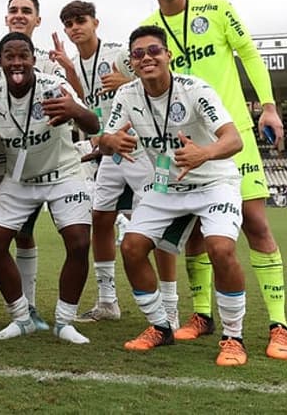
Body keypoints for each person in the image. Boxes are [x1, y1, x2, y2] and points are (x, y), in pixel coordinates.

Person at [141, 0, 287, 360]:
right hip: (181, 144)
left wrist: (268, 105)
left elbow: (247, 53)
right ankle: (203, 315)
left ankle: (278, 325)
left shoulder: (218, 7)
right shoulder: (147, 30)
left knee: (255, 222)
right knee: (193, 230)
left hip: (230, 135)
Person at [101, 25, 248, 366]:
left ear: (168, 55)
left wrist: (204, 153)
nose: (146, 58)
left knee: (220, 248)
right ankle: (160, 326)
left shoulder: (195, 89)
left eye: (154, 50)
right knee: (132, 247)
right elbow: (105, 138)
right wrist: (112, 143)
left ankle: (233, 337)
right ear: (132, 63)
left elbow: (233, 139)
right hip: (167, 186)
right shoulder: (127, 96)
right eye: (138, 54)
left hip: (214, 183)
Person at [0, 32, 99, 343]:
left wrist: (75, 111)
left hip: (63, 173)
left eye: (22, 55)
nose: (16, 62)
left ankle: (65, 321)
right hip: (20, 179)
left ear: (32, 59)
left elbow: (93, 125)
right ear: (0, 62)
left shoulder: (55, 87)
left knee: (79, 243)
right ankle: (21, 317)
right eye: (9, 56)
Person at [54, 1, 180, 327]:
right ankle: (108, 300)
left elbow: (162, 82)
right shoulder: (77, 64)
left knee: (161, 228)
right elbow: (92, 107)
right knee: (100, 216)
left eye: (80, 20)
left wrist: (126, 82)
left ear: (96, 22)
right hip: (112, 150)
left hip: (144, 149)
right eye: (68, 23)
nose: (74, 28)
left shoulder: (120, 55)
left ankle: (171, 307)